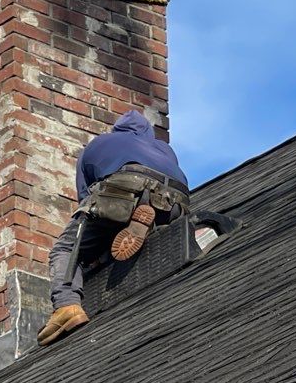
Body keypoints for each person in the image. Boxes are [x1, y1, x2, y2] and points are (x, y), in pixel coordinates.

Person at [37, 109, 190, 346]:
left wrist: (93, 248)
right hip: (176, 201)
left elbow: (87, 199)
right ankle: (145, 223)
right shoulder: (164, 149)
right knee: (140, 209)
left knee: (67, 249)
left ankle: (67, 306)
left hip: (125, 186)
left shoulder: (100, 143)